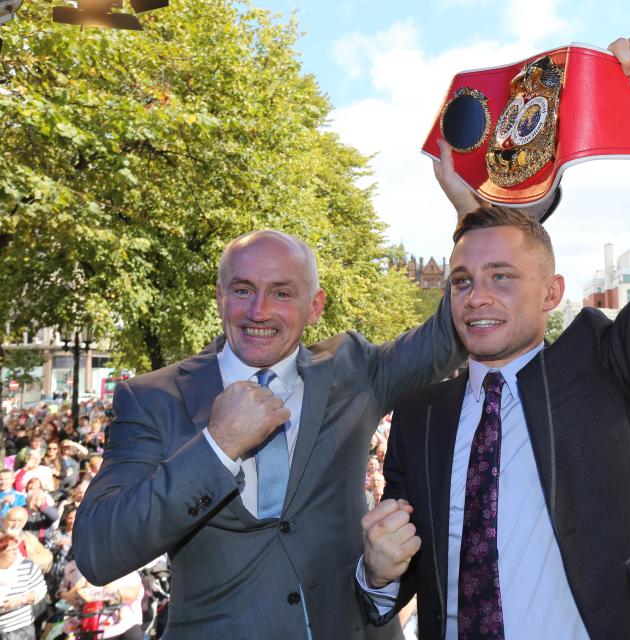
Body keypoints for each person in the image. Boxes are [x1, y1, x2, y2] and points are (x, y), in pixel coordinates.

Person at [358, 38, 630, 639]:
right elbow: (392, 583)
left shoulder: (604, 369)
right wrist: (376, 572)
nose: (477, 295)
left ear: (552, 293)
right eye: (462, 281)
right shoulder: (420, 416)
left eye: (502, 278)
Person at [74, 226, 465, 637]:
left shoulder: (355, 370)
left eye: (281, 293)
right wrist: (218, 446)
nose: (258, 311)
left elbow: (454, 328)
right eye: (242, 289)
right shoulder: (153, 398)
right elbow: (99, 552)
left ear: (315, 306)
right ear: (219, 296)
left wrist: (474, 215)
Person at [0, 533, 46, 640]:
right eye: (10, 550)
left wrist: (22, 599)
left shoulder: (26, 566)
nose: (15, 552)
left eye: (16, 548)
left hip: (21, 628)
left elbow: (40, 590)